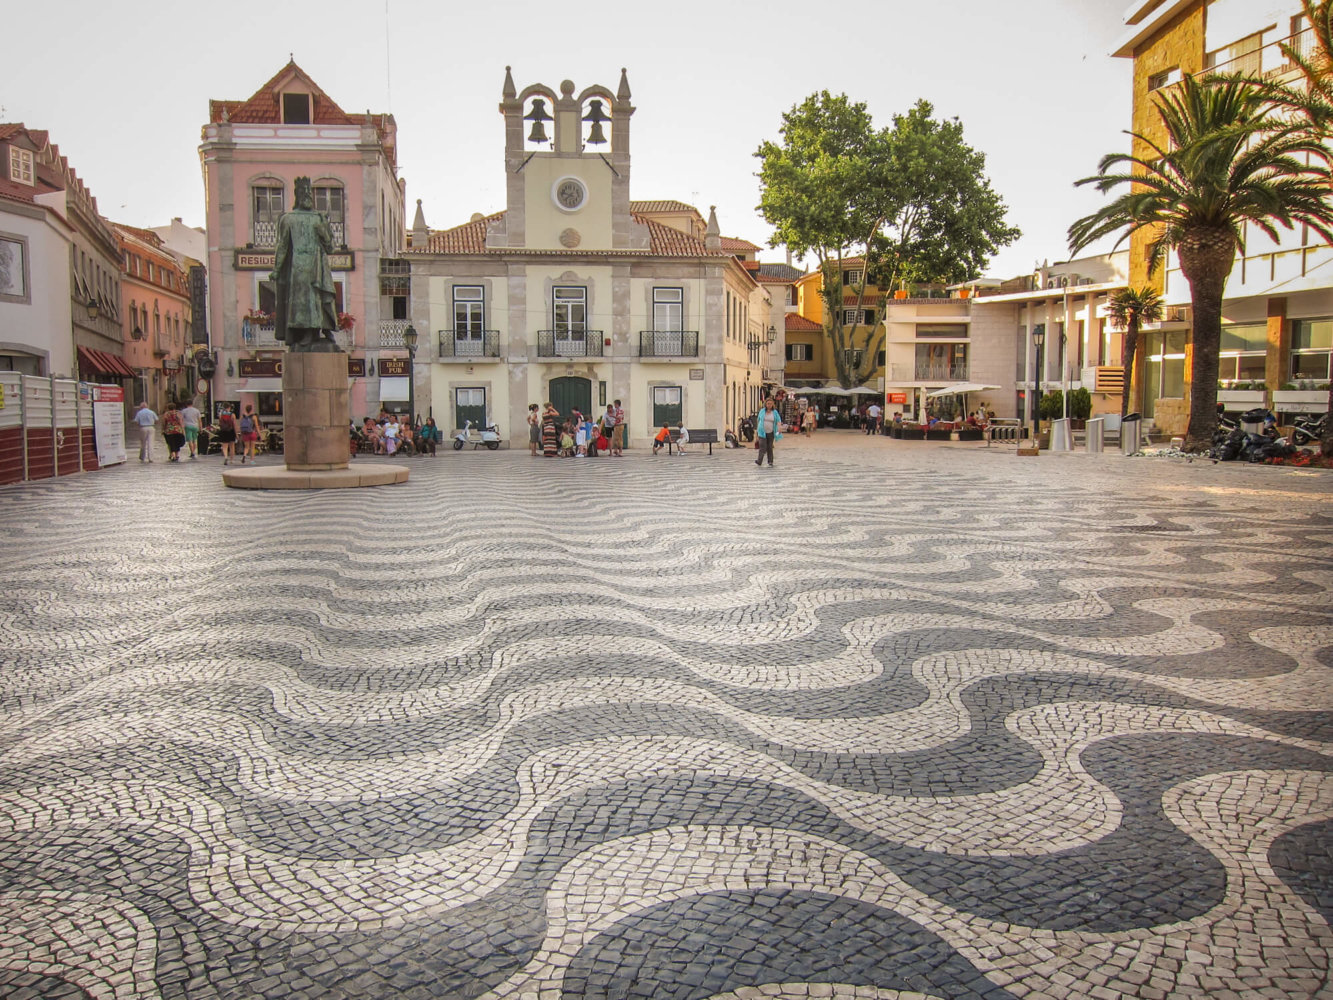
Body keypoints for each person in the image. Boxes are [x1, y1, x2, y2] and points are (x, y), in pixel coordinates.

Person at [754, 398, 782, 468]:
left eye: (771, 404)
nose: (769, 405)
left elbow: (778, 420)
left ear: (773, 405)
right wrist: (757, 432)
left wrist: (779, 428)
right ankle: (759, 461)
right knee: (762, 446)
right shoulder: (762, 411)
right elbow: (758, 420)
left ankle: (770, 461)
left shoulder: (775, 412)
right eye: (768, 404)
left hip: (771, 432)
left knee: (769, 447)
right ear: (765, 404)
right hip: (762, 432)